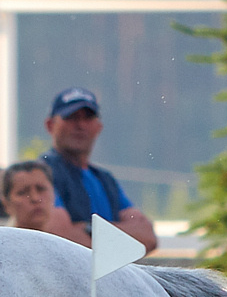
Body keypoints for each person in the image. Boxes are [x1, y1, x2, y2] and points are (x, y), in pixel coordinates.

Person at [37, 87, 158, 252]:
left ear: (98, 127)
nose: (80, 125)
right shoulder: (42, 173)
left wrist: (88, 229)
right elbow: (59, 235)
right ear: (50, 125)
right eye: (71, 117)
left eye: (88, 117)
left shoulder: (105, 179)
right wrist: (120, 238)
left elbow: (147, 236)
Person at [0, 160, 89, 244]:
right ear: (6, 204)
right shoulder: (1, 247)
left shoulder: (68, 244)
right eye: (23, 192)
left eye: (41, 189)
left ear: (54, 194)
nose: (35, 198)